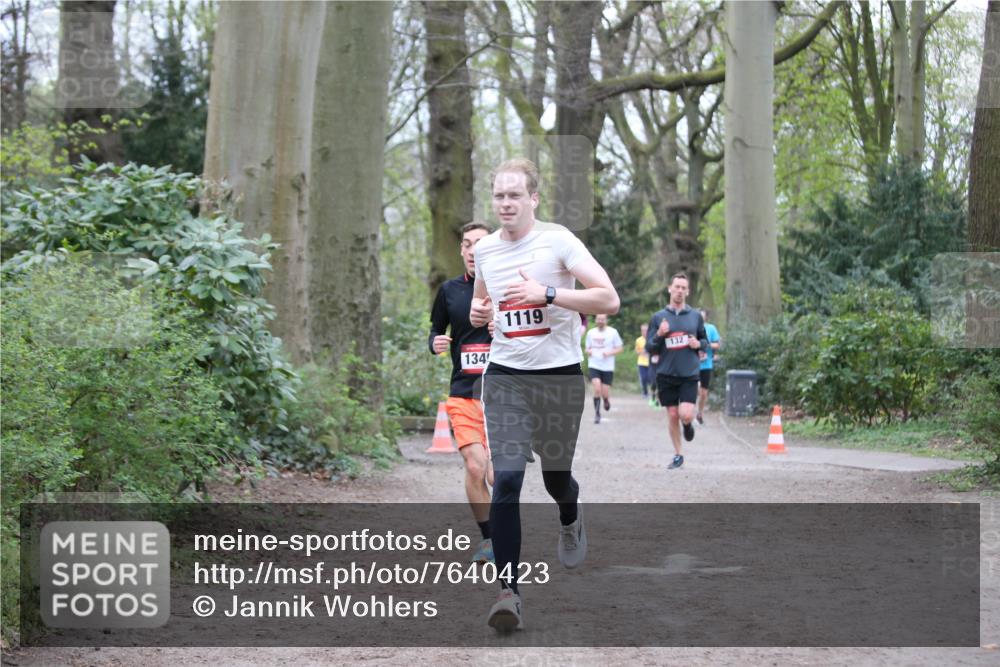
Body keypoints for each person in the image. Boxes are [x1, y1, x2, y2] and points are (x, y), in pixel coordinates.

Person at [469, 158, 620, 632]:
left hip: (557, 378)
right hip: (505, 378)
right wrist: (480, 315)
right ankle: (508, 594)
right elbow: (482, 304)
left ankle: (570, 515)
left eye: (515, 195)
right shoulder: (486, 250)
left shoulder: (558, 241)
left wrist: (549, 295)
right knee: (507, 480)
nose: (506, 203)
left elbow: (609, 299)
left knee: (556, 480)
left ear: (533, 199)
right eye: (499, 196)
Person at [429, 221, 495, 565]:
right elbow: (435, 330)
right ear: (461, 250)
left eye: (480, 244)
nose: (473, 251)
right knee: (475, 466)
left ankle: (505, 529)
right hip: (463, 391)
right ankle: (490, 540)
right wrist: (435, 343)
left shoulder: (509, 287)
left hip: (503, 394)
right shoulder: (449, 290)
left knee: (496, 475)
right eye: (467, 244)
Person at [646, 273, 708, 470]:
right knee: (673, 414)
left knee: (686, 414)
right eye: (677, 287)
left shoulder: (695, 316)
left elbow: (704, 341)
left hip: (689, 374)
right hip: (666, 374)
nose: (680, 291)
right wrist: (659, 334)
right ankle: (678, 454)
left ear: (688, 291)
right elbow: (649, 347)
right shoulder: (658, 317)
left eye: (683, 288)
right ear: (669, 289)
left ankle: (687, 424)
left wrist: (698, 344)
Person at [585, 314, 623, 423]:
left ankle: (606, 400)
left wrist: (609, 353)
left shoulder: (613, 332)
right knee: (597, 389)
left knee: (605, 393)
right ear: (596, 320)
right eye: (598, 319)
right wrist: (589, 351)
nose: (600, 321)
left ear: (606, 320)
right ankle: (597, 414)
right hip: (594, 365)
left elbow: (620, 348)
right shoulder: (591, 333)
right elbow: (587, 349)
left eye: (602, 319)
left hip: (607, 366)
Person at [696, 308, 722, 425]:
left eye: (702, 316)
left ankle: (699, 414)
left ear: (706, 317)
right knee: (695, 389)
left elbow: (718, 344)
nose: (700, 319)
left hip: (706, 365)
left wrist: (706, 345)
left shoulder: (711, 328)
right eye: (698, 316)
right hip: (692, 365)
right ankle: (687, 414)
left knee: (704, 393)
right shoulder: (690, 328)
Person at [635, 323, 652, 403]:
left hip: (651, 363)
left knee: (650, 379)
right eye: (642, 330)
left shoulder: (652, 339)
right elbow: (637, 351)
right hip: (641, 362)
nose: (644, 332)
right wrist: (642, 352)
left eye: (646, 330)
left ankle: (654, 391)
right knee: (643, 378)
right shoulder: (638, 340)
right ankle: (645, 393)